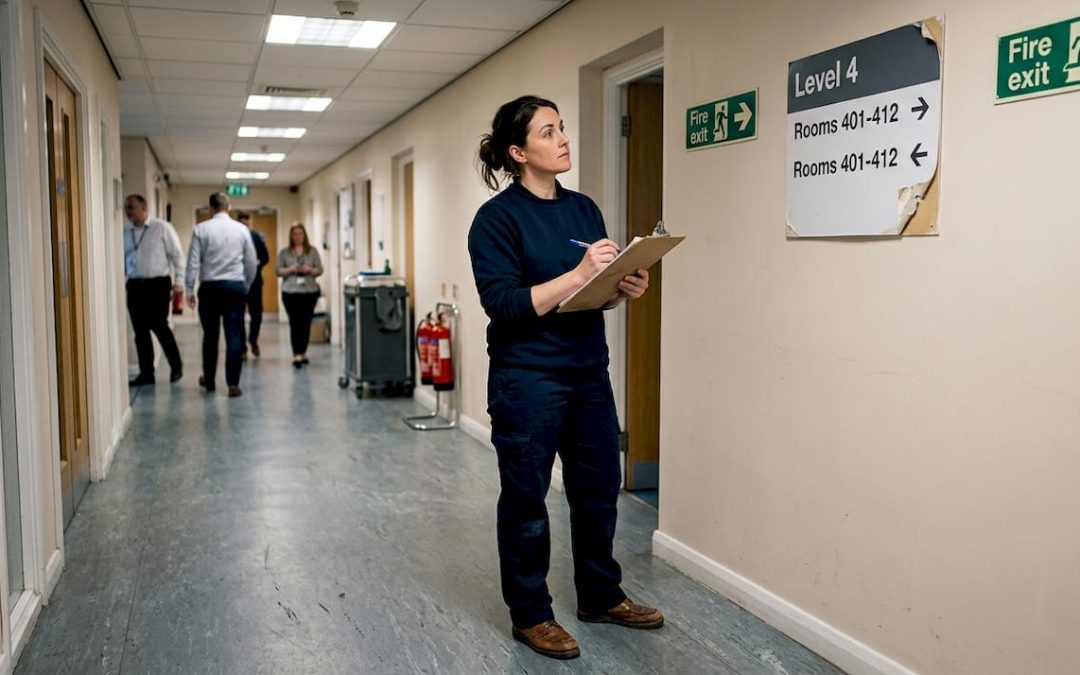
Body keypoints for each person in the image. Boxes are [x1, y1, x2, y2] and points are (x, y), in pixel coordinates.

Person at [467, 95, 662, 660]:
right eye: (548, 132)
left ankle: (601, 594)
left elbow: (588, 298)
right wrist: (577, 272)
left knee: (599, 490)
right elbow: (503, 304)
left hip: (586, 373)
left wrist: (619, 289)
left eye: (562, 129)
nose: (562, 139)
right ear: (518, 151)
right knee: (527, 498)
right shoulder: (496, 220)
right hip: (526, 379)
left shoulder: (583, 209)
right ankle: (530, 614)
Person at [184, 193, 256, 397]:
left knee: (210, 336)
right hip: (234, 286)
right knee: (234, 334)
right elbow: (251, 262)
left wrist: (189, 289)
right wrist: (246, 284)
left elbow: (193, 262)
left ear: (210, 209)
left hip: (210, 288)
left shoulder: (201, 229)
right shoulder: (242, 229)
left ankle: (209, 380)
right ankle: (233, 384)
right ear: (229, 207)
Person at [123, 194, 185, 386]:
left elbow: (178, 256)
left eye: (132, 207)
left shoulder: (161, 228)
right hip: (134, 285)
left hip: (158, 284)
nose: (128, 211)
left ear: (144, 208)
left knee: (159, 326)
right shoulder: (125, 232)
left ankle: (176, 366)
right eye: (126, 207)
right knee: (140, 332)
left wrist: (179, 282)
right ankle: (146, 373)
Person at [276, 223, 323, 368]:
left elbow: (320, 269)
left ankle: (303, 352)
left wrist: (309, 269)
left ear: (304, 235)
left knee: (306, 323)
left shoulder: (312, 251)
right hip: (290, 292)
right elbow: (278, 271)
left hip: (309, 291)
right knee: (295, 323)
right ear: (291, 236)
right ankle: (297, 354)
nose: (297, 236)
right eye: (295, 233)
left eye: (300, 233)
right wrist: (290, 269)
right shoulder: (284, 252)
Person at [236, 210, 270, 358]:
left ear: (250, 222)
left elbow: (265, 257)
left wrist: (258, 263)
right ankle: (242, 347)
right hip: (237, 281)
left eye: (247, 221)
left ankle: (253, 340)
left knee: (257, 314)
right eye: (242, 222)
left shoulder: (257, 237)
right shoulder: (233, 237)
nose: (245, 224)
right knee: (238, 316)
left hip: (255, 281)